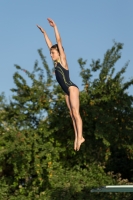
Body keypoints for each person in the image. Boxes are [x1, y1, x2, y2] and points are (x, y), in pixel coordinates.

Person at [37, 18, 85, 151]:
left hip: (71, 88)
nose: (51, 54)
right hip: (66, 91)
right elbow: (50, 45)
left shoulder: (63, 60)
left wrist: (55, 27)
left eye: (53, 53)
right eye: (50, 53)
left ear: (59, 53)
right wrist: (44, 33)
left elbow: (58, 41)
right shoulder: (55, 63)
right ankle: (77, 136)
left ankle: (80, 137)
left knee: (76, 113)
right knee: (71, 114)